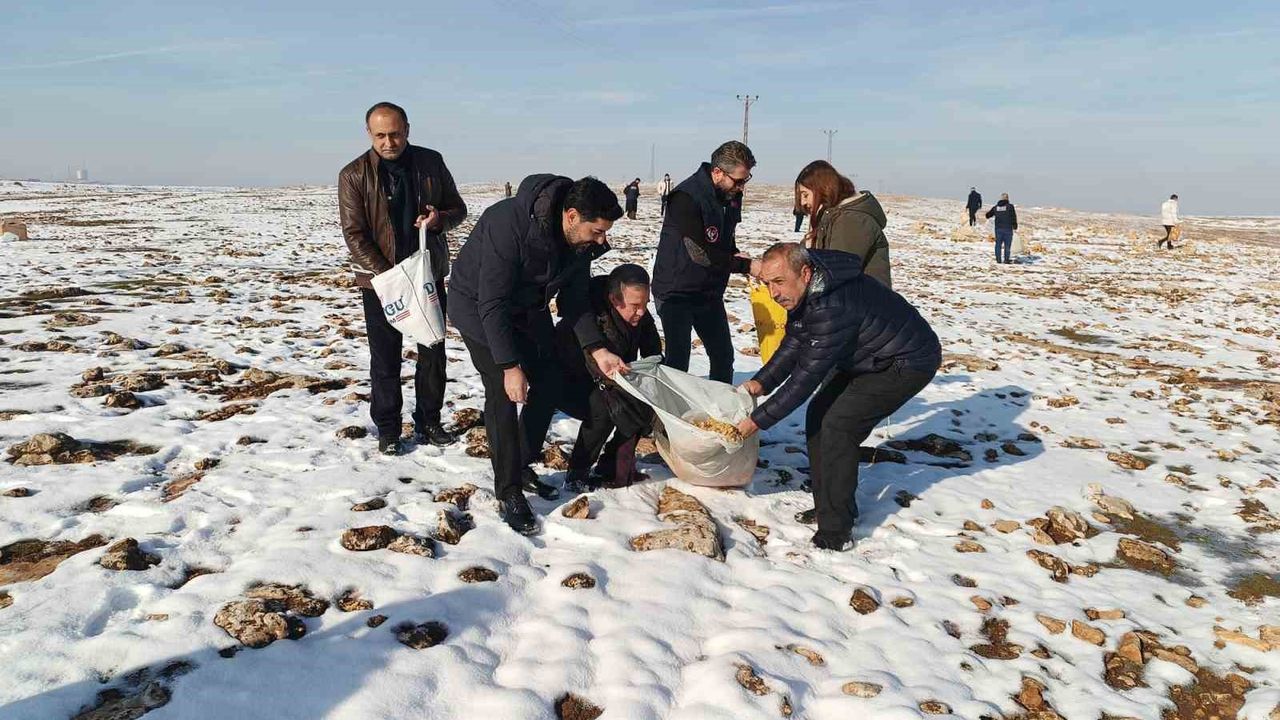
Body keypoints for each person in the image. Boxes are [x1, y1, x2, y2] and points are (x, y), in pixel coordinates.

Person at [448, 175, 624, 534]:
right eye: (597, 231)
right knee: (503, 391)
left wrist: (597, 348)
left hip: (528, 310)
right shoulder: (507, 223)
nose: (601, 240)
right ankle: (508, 491)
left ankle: (521, 462)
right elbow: (492, 302)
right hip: (479, 308)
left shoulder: (577, 243)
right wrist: (510, 365)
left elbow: (574, 301)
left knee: (549, 379)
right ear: (572, 216)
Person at [736, 243, 940, 550]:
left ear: (805, 273)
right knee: (818, 415)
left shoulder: (831, 306)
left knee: (839, 427)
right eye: (767, 284)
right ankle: (829, 507)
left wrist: (756, 422)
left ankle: (835, 532)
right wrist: (761, 382)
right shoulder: (807, 292)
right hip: (866, 356)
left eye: (779, 282)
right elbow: (795, 341)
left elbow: (805, 379)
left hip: (906, 362)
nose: (773, 293)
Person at [339, 101, 467, 455]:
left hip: (426, 275)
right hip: (382, 282)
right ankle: (389, 429)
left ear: (407, 130)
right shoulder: (353, 175)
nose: (389, 142)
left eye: (395, 134)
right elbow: (354, 234)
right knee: (385, 357)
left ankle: (429, 421)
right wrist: (390, 277)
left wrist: (438, 219)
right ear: (369, 134)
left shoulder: (431, 162)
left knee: (433, 352)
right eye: (380, 135)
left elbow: (458, 209)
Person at [652, 141, 762, 384]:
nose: (742, 187)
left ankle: (719, 405)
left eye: (746, 180)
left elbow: (726, 236)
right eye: (738, 181)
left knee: (723, 356)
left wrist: (736, 254)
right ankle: (671, 407)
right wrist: (746, 266)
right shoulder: (685, 197)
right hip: (676, 290)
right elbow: (699, 253)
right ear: (717, 172)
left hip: (709, 290)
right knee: (678, 360)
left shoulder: (731, 195)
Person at [555, 264, 662, 494]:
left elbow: (653, 351)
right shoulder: (590, 317)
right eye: (635, 306)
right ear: (615, 300)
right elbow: (593, 363)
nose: (642, 312)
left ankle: (613, 467)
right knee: (605, 409)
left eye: (645, 304)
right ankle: (577, 473)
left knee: (644, 402)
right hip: (569, 379)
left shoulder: (640, 315)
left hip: (611, 378)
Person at [794, 160, 892, 288]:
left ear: (823, 188)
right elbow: (803, 257)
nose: (802, 202)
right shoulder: (830, 217)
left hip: (863, 299)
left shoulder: (852, 220)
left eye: (805, 195)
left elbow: (836, 273)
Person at [985, 193, 1018, 264]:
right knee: (1007, 245)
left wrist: (988, 214)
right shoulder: (1010, 206)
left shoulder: (996, 207)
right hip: (1008, 229)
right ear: (1007, 198)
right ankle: (1006, 260)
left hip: (998, 229)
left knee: (998, 245)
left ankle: (998, 260)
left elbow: (988, 215)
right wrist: (1015, 226)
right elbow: (1013, 216)